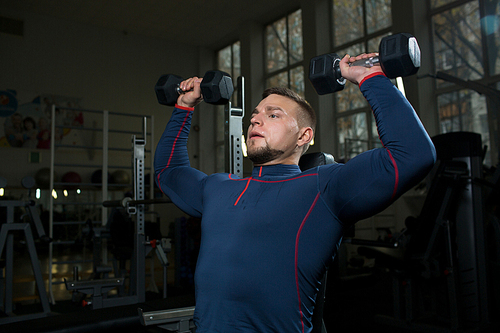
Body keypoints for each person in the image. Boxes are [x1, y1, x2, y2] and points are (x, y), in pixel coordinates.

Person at [154, 52, 436, 333]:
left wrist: (369, 77)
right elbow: (169, 172)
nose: (255, 120)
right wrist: (183, 106)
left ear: (303, 136)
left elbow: (413, 154)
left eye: (273, 115)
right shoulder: (218, 188)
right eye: (255, 115)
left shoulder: (322, 189)